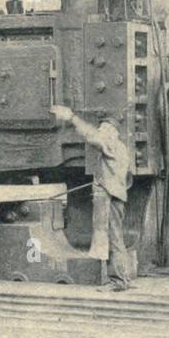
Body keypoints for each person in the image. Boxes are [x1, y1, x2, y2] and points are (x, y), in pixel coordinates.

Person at [51, 105, 135, 291]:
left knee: (112, 238)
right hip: (117, 195)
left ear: (110, 130)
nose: (101, 131)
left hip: (109, 196)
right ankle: (124, 278)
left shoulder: (109, 142)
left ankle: (118, 281)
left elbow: (92, 137)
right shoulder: (121, 148)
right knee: (116, 237)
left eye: (103, 128)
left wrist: (72, 117)